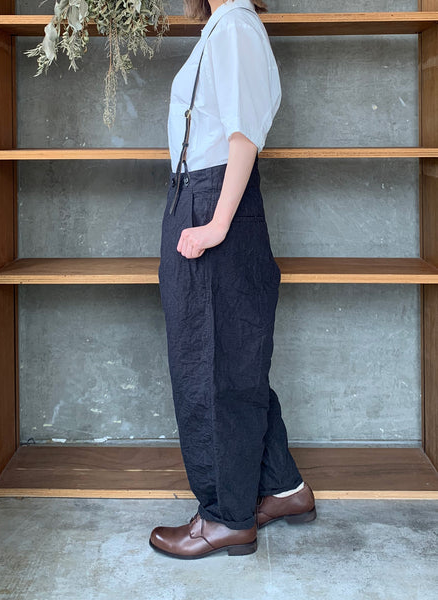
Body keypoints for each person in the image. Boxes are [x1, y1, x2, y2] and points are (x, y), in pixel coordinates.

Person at [150, 0, 316, 560]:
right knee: (231, 363)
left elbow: (243, 137)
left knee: (210, 366)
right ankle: (283, 488)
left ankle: (225, 517)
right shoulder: (224, 26)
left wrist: (216, 223)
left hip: (212, 197)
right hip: (199, 193)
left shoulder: (237, 26)